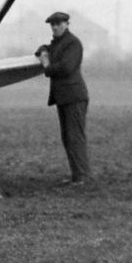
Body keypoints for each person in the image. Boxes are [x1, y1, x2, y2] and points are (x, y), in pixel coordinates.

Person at [36, 11, 91, 186]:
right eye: (52, 24)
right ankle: (77, 175)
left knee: (75, 137)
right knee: (68, 137)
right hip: (64, 98)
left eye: (59, 23)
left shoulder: (73, 43)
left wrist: (47, 66)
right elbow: (43, 49)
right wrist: (43, 51)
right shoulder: (58, 43)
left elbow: (66, 68)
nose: (55, 27)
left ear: (67, 24)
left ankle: (82, 176)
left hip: (74, 97)